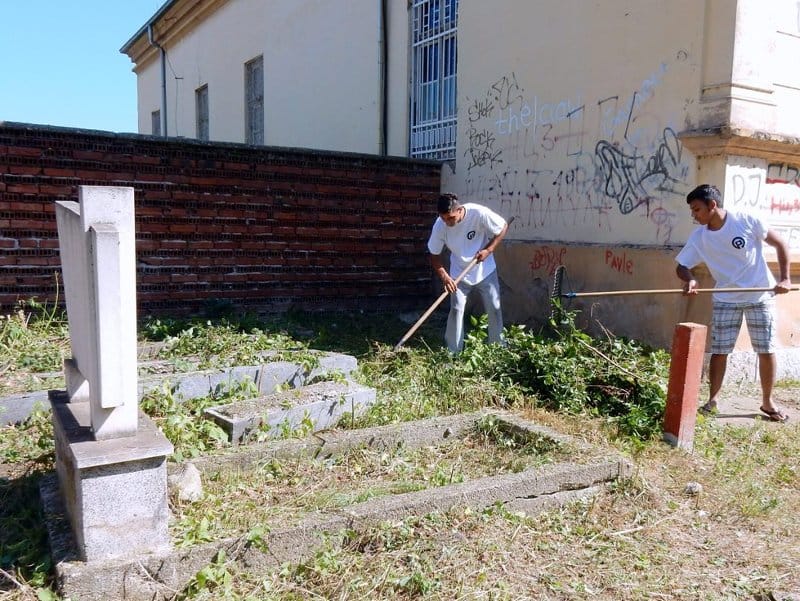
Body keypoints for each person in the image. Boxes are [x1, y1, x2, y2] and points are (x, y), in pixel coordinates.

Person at [675, 183, 792, 422]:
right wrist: (690, 280)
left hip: (760, 296)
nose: (694, 216)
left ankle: (768, 402)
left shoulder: (746, 221)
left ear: (712, 205)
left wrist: (786, 279)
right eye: (692, 211)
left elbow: (780, 244)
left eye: (697, 210)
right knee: (720, 351)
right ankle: (713, 400)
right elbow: (682, 265)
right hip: (725, 299)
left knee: (766, 349)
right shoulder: (700, 237)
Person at [427, 192, 508, 354]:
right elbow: (434, 255)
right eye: (443, 218)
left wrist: (488, 250)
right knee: (456, 310)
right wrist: (445, 277)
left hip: (485, 270)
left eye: (450, 218)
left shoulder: (478, 213)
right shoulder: (440, 225)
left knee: (494, 307)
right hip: (458, 273)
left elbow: (502, 226)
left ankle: (498, 349)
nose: (447, 222)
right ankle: (453, 352)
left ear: (459, 210)